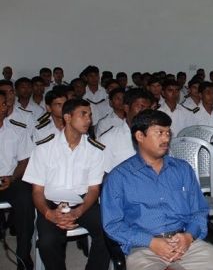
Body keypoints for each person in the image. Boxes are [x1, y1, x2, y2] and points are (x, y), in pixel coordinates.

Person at [101, 109, 213, 270]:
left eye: (168, 133)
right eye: (159, 132)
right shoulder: (119, 177)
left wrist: (189, 236)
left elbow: (199, 210)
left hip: (186, 244)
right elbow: (113, 224)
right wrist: (150, 242)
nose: (166, 138)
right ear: (140, 136)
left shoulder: (182, 169)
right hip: (144, 248)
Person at [22, 98, 110, 270]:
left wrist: (78, 211)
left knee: (109, 230)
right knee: (48, 242)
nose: (89, 120)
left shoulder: (95, 150)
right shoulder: (44, 148)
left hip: (83, 201)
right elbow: (37, 191)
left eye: (90, 115)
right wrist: (49, 214)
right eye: (83, 114)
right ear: (68, 118)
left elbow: (93, 189)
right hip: (50, 202)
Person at [0, 90, 35, 270]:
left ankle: (23, 255)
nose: (1, 108)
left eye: (3, 104)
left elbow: (24, 161)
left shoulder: (17, 130)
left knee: (27, 198)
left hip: (10, 180)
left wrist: (12, 177)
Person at [100, 88, 154, 173]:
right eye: (141, 107)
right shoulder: (109, 139)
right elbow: (104, 175)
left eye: (148, 108)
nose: (145, 112)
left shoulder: (158, 136)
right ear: (126, 108)